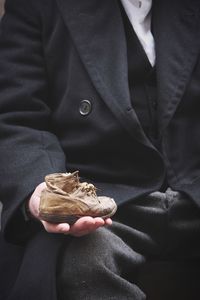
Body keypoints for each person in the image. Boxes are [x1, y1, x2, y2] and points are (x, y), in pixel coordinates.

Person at [0, 0, 200, 299]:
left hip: (194, 189)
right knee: (82, 266)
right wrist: (41, 190)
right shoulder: (38, 6)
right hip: (98, 199)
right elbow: (16, 115)